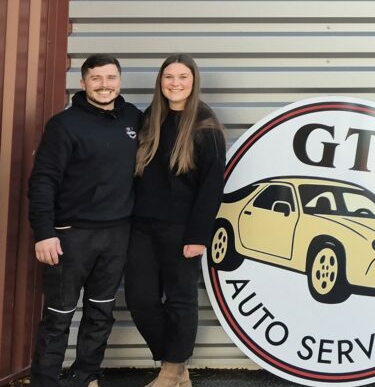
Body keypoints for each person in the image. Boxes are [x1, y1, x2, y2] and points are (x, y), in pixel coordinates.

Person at [28, 55, 143, 387]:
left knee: (100, 313)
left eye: (111, 78)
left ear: (119, 80)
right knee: (59, 316)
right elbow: (43, 180)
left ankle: (85, 376)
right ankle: (45, 381)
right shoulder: (63, 125)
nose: (104, 85)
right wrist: (44, 232)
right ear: (83, 83)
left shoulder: (134, 118)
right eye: (96, 78)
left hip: (117, 234)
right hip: (71, 236)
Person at [125, 55, 226, 387]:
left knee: (181, 300)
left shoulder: (206, 126)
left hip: (182, 229)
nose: (175, 83)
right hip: (142, 226)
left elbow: (212, 187)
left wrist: (198, 236)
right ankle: (178, 367)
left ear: (194, 81)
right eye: (169, 76)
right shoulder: (149, 119)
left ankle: (170, 371)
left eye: (183, 76)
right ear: (160, 81)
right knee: (140, 300)